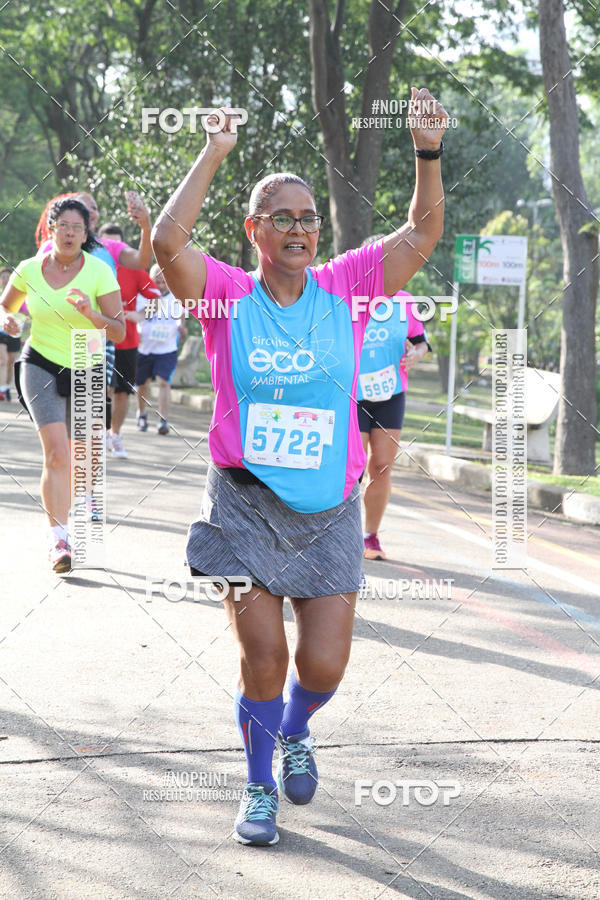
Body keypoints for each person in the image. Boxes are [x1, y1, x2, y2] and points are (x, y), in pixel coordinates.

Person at [152, 89, 448, 846]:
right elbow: (167, 241)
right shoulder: (225, 297)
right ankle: (257, 790)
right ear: (253, 231)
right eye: (280, 217)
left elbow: (422, 231)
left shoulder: (349, 287)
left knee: (322, 667)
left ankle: (296, 729)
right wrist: (214, 151)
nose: (298, 228)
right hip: (243, 508)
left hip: (329, 513)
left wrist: (427, 150)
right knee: (264, 657)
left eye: (307, 216)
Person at [0, 198, 124, 572]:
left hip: (86, 359)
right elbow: (6, 307)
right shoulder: (28, 270)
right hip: (39, 362)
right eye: (64, 225)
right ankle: (59, 541)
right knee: (56, 454)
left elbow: (117, 329)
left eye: (78, 227)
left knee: (83, 460)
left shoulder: (99, 273)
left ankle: (80, 508)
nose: (70, 233)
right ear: (51, 228)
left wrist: (91, 313)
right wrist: (8, 321)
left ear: (87, 234)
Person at [36, 190, 153, 451]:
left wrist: (145, 225)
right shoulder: (48, 250)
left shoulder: (108, 248)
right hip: (54, 337)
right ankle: (66, 464)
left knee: (88, 410)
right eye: (81, 206)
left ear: (94, 219)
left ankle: (86, 480)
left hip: (93, 336)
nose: (89, 210)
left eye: (93, 207)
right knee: (61, 414)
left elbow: (143, 260)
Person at [358, 290, 430, 560]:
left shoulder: (405, 301)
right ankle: (341, 533)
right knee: (351, 467)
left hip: (391, 394)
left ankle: (370, 536)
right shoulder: (352, 295)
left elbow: (420, 341)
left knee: (381, 466)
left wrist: (417, 355)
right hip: (353, 394)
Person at [97, 223, 160, 458]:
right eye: (105, 243)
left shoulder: (133, 270)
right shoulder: (89, 267)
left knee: (123, 392)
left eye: (116, 244)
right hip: (96, 340)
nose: (110, 249)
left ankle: (115, 435)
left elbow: (155, 298)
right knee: (99, 389)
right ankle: (99, 435)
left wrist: (140, 315)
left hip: (127, 340)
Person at [134, 263, 186, 435]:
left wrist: (181, 328)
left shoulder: (176, 298)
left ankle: (163, 420)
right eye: (157, 282)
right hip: (144, 348)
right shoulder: (142, 297)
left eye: (164, 282)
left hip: (166, 348)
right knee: (143, 384)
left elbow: (181, 318)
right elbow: (135, 318)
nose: (161, 286)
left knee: (164, 383)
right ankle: (141, 414)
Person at [0, 266, 20, 400]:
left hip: (14, 332)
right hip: (0, 332)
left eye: (8, 277)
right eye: (3, 277)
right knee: (3, 360)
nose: (5, 280)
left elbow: (26, 311)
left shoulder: (18, 294)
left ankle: (6, 387)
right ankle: (1, 389)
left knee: (11, 363)